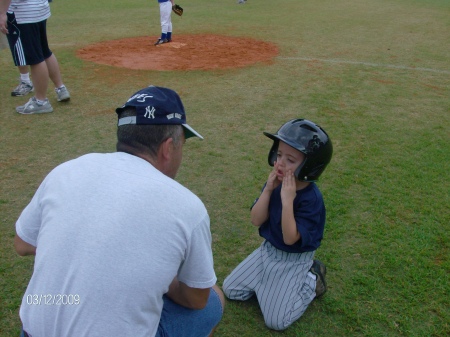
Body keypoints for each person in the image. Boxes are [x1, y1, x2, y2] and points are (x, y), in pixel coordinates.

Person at [14, 85, 224, 337]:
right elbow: (196, 298)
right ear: (168, 148)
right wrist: (159, 274)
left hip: (33, 331)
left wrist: (82, 243)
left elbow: (22, 244)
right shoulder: (188, 207)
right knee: (214, 299)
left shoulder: (66, 170)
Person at [222, 118, 333, 331]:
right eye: (279, 155)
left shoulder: (311, 200)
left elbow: (290, 238)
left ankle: (311, 279)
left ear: (310, 165)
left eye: (290, 159)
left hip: (293, 261)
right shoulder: (277, 182)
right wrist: (269, 189)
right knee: (231, 289)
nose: (280, 163)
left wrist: (287, 199)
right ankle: (270, 287)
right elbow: (256, 219)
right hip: (267, 252)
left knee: (276, 322)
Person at [0, 0, 70, 114]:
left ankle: (40, 101)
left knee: (34, 58)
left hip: (22, 13)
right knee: (44, 51)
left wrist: (2, 13)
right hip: (39, 9)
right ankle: (61, 88)